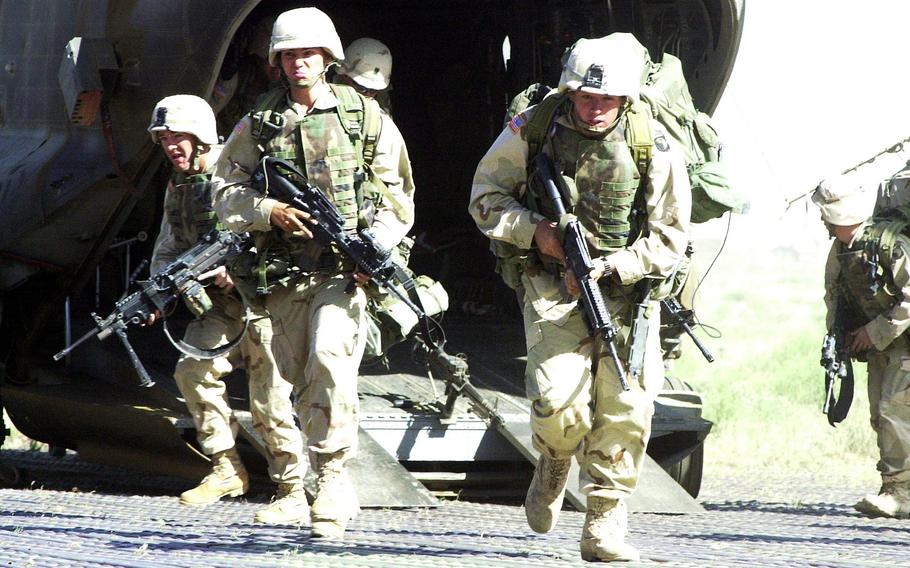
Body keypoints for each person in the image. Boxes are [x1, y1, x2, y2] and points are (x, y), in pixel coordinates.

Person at [469, 35, 691, 562]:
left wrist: (616, 264)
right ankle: (553, 462)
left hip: (630, 296)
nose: (595, 109)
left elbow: (670, 236)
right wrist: (536, 231)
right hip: (553, 290)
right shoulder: (533, 129)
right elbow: (484, 199)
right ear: (569, 90)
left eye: (607, 100)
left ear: (626, 99)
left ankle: (604, 520)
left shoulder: (651, 142)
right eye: (586, 98)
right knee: (555, 406)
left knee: (629, 408)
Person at [211, 7, 415, 539]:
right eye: (289, 55)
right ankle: (311, 480)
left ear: (328, 58)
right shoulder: (260, 121)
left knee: (330, 354)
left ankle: (331, 479)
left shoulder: (364, 117)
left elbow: (399, 198)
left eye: (309, 54)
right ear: (278, 62)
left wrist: (375, 250)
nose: (300, 63)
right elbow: (224, 191)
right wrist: (267, 212)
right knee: (301, 378)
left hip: (343, 273)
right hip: (282, 275)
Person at [147, 95, 308, 524]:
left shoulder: (236, 172)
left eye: (178, 138)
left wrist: (236, 271)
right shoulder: (179, 184)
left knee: (269, 399)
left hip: (261, 299)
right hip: (219, 307)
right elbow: (168, 245)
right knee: (192, 369)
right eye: (164, 140)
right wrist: (161, 289)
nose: (171, 148)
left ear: (200, 138)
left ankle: (292, 489)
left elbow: (276, 233)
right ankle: (226, 468)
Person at [815, 179, 910, 519]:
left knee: (894, 414)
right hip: (882, 348)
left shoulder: (889, 244)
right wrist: (839, 337)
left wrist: (876, 331)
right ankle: (894, 487)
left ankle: (901, 495)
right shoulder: (842, 250)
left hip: (901, 344)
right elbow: (835, 296)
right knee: (883, 418)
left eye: (826, 215)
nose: (823, 222)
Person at [333, 37, 393, 114]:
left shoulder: (381, 100)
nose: (367, 95)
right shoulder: (320, 92)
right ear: (342, 75)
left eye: (373, 90)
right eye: (361, 87)